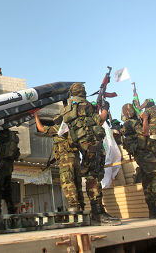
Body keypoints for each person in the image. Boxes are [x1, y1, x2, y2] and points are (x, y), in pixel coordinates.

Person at [59, 83, 121, 226]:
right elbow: (99, 120)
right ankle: (97, 213)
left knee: (91, 175)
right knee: (93, 176)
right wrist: (105, 109)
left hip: (82, 143)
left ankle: (97, 212)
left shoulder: (68, 108)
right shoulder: (85, 104)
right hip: (91, 142)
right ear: (83, 92)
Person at [34, 108, 84, 211]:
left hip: (66, 159)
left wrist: (35, 115)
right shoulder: (71, 129)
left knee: (67, 181)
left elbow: (41, 129)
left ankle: (74, 205)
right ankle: (81, 205)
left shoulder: (59, 128)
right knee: (77, 182)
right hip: (75, 158)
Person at [0, 128, 20, 214]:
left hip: (1, 164)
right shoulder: (13, 136)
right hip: (9, 166)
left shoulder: (4, 134)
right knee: (7, 190)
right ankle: (12, 212)